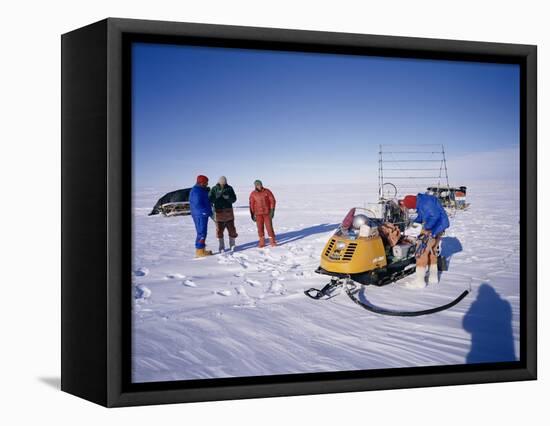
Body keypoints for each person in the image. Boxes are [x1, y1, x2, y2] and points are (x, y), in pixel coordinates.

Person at [402, 193, 449, 287]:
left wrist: (426, 229)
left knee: (421, 253)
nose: (412, 209)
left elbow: (434, 216)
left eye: (411, 207)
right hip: (439, 227)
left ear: (412, 203)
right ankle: (433, 278)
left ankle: (419, 282)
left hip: (435, 228)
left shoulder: (425, 203)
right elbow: (421, 216)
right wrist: (414, 224)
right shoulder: (422, 201)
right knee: (432, 252)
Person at [209, 176, 238, 252]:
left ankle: (233, 245)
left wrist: (228, 197)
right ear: (219, 182)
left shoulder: (229, 188)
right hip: (218, 212)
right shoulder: (214, 189)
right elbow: (210, 199)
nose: (222, 185)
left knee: (232, 229)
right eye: (221, 183)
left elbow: (234, 199)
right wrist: (216, 196)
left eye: (224, 183)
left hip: (228, 211)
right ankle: (221, 247)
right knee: (219, 230)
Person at [189, 175, 213, 257]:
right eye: (206, 182)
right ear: (201, 182)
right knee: (201, 232)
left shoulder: (200, 189)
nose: (207, 184)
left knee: (202, 232)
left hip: (201, 214)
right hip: (200, 214)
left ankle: (201, 249)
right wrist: (205, 212)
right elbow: (197, 204)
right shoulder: (197, 191)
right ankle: (200, 252)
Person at [249, 179, 277, 248]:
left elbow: (272, 200)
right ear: (255, 186)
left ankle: (272, 241)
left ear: (261, 184)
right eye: (257, 185)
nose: (259, 186)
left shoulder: (267, 191)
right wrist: (252, 214)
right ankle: (262, 242)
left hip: (267, 213)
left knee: (269, 227)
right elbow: (251, 204)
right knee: (260, 228)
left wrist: (272, 210)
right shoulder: (253, 194)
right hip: (258, 214)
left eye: (260, 184)